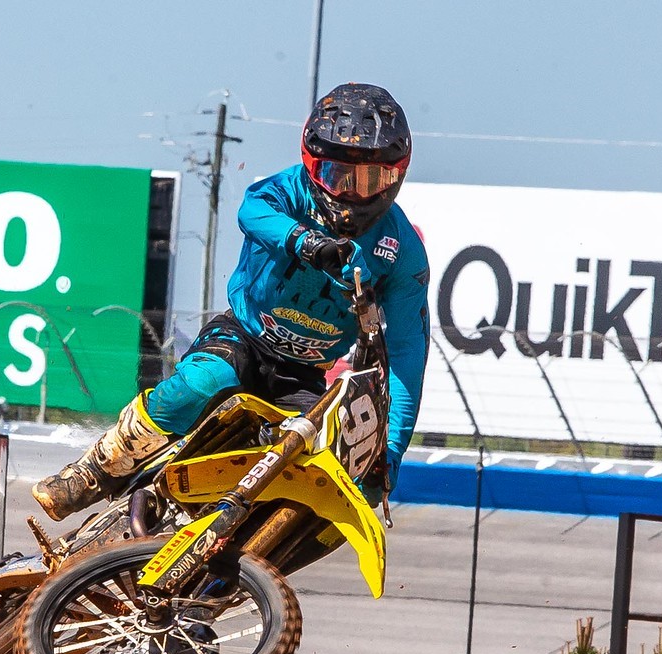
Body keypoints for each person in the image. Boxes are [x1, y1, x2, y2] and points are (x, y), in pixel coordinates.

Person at [33, 82, 429, 521]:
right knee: (199, 384)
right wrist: (305, 242)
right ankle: (93, 471)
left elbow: (408, 353)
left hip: (304, 377)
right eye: (337, 175)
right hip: (241, 337)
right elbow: (251, 212)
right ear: (312, 165)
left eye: (371, 179)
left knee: (319, 468)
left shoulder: (404, 252)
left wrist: (390, 451)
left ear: (396, 175)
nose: (352, 194)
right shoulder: (288, 189)